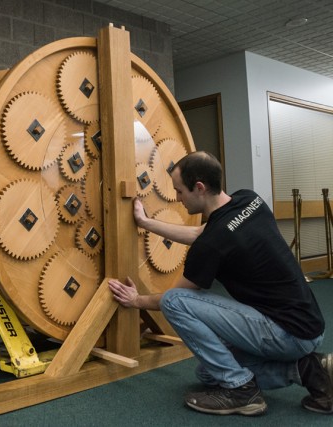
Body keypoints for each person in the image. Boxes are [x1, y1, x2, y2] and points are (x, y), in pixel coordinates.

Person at [108, 151, 333, 416]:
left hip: (286, 335)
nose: (178, 199)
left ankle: (241, 390)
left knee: (173, 301)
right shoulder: (249, 200)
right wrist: (146, 222)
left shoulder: (212, 244)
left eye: (180, 191)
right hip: (310, 325)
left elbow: (175, 297)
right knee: (208, 373)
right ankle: (310, 370)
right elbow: (198, 233)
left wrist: (136, 301)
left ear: (200, 188)